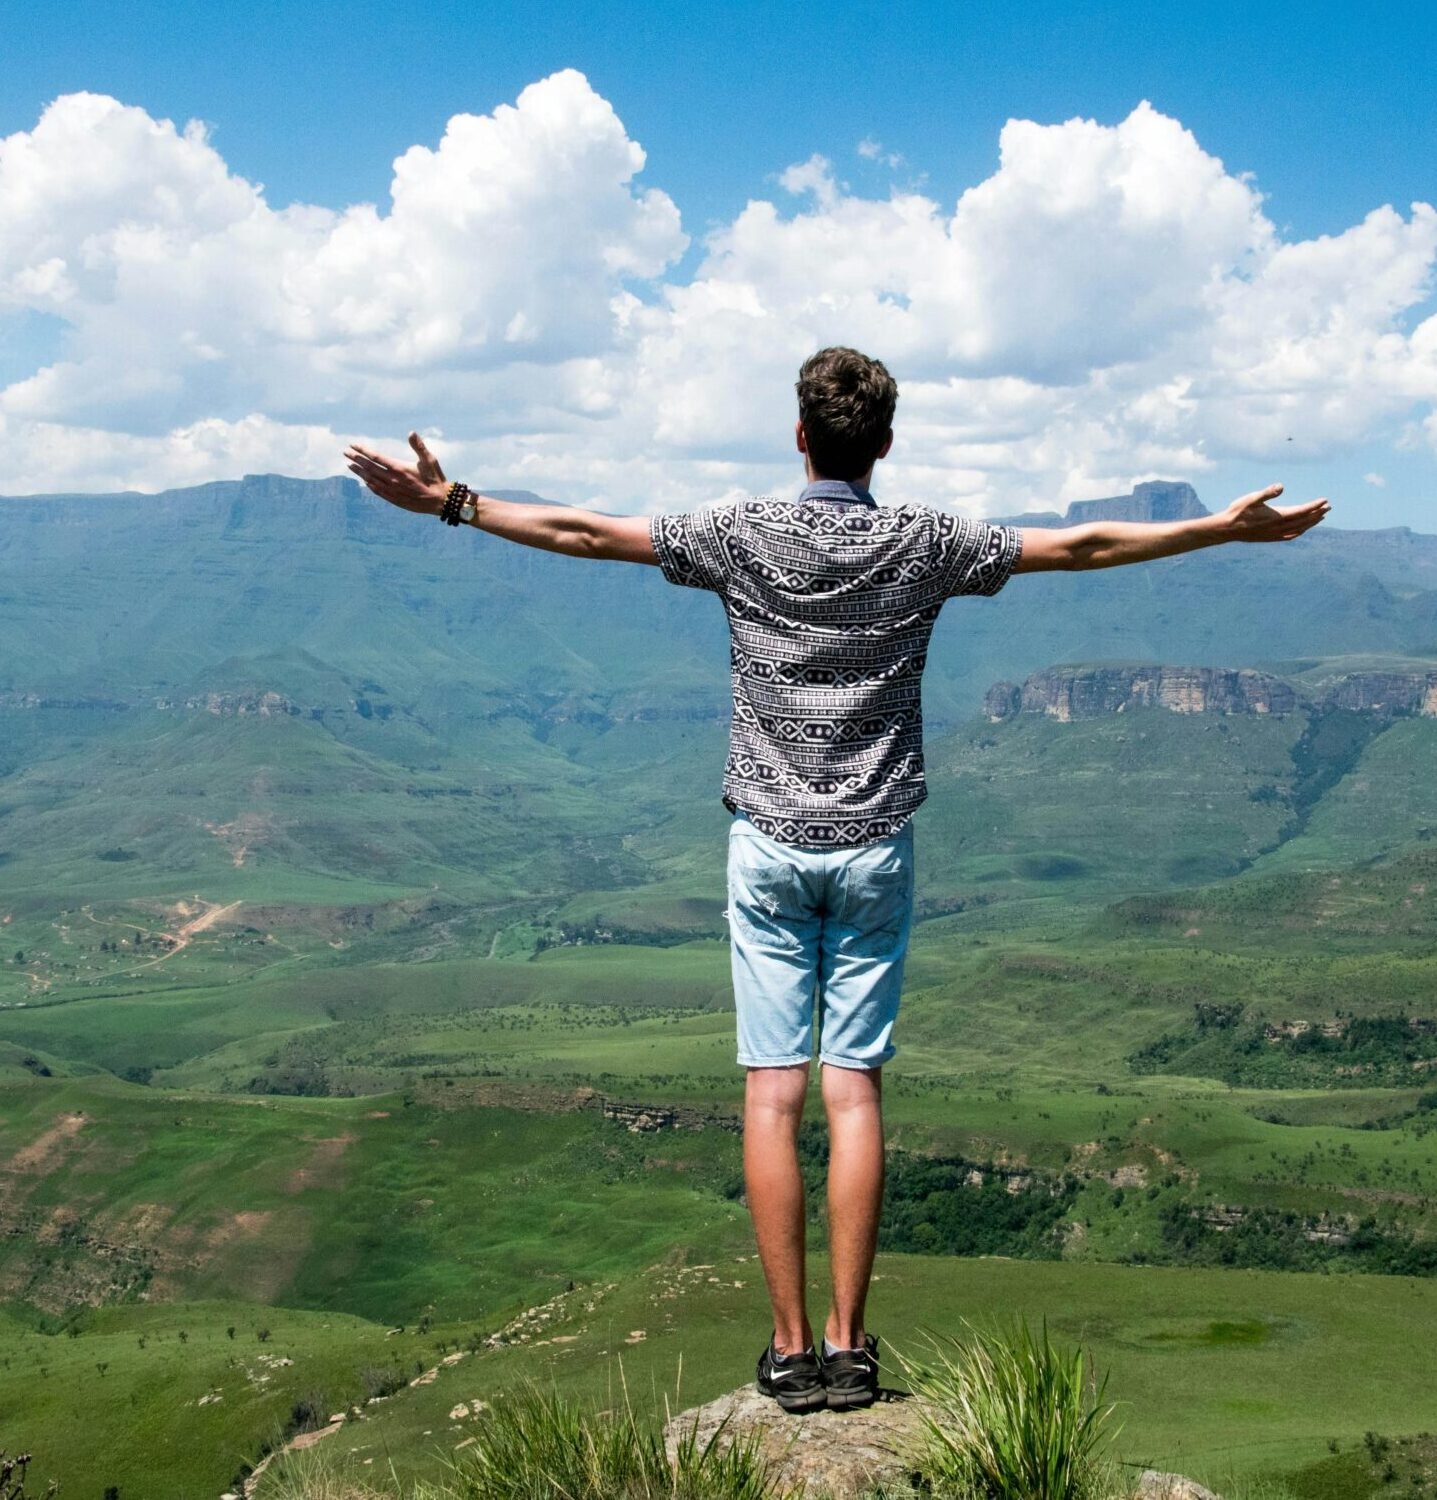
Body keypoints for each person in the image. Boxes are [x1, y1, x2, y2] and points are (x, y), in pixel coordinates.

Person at [345, 346, 1331, 1414]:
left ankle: (785, 1351)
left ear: (801, 436)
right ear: (886, 444)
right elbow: (1083, 544)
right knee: (851, 1089)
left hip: (766, 847)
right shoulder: (926, 541)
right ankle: (850, 1348)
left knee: (772, 1093)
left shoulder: (739, 534)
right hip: (874, 849)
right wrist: (1220, 529)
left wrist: (453, 503)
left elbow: (586, 534)